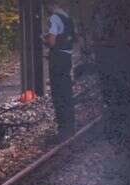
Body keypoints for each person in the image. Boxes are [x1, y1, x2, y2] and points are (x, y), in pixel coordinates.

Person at [43, 0, 76, 141]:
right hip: (68, 57)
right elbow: (75, 38)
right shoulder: (68, 17)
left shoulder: (54, 18)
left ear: (50, 5)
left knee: (58, 94)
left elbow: (51, 41)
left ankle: (63, 131)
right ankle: (70, 127)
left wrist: (43, 39)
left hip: (58, 59)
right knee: (67, 92)